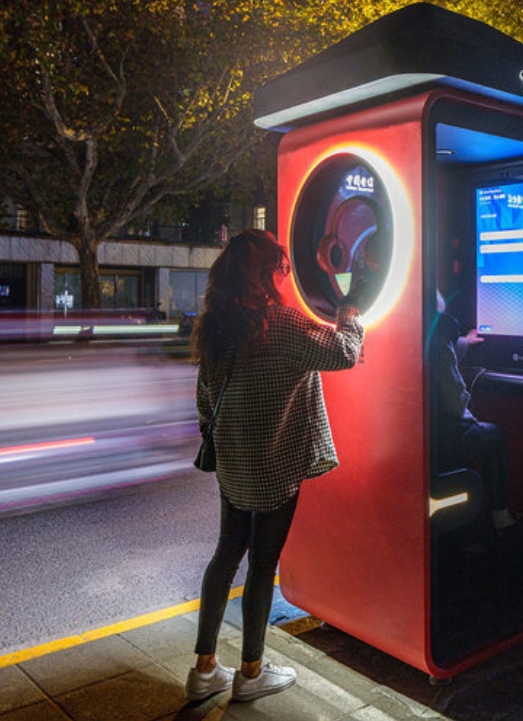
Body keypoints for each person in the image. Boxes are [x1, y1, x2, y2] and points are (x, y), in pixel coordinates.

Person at [186, 230, 365, 704]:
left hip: (234, 465)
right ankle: (251, 672)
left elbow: (205, 400)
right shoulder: (280, 324)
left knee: (226, 556)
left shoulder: (217, 328)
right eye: (282, 267)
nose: (286, 275)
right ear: (266, 274)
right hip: (274, 468)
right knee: (263, 564)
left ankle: (204, 670)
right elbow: (346, 353)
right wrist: (351, 308)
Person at [432, 291, 519, 534]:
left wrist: (464, 343)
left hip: (414, 436)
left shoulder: (410, 327)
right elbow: (455, 401)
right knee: (493, 436)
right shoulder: (438, 335)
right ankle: (501, 517)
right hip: (439, 435)